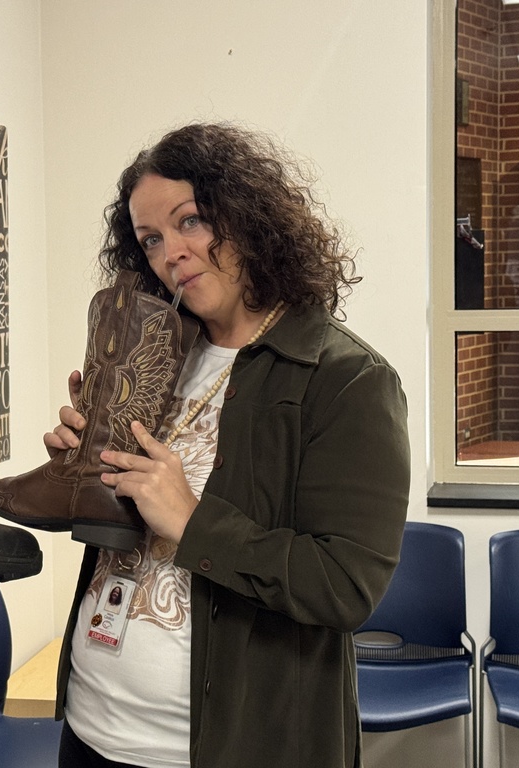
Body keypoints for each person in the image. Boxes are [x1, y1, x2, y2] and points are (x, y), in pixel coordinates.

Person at [48, 122, 411, 767]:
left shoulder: (346, 378)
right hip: (91, 727)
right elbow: (124, 520)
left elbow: (344, 587)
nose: (171, 253)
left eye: (190, 221)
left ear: (249, 215)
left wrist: (192, 522)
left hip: (231, 747)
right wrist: (84, 466)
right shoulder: (155, 353)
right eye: (151, 239)